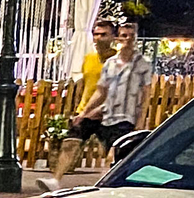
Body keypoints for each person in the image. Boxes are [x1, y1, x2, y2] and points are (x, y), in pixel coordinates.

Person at [52, 28, 156, 178]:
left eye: (130, 36)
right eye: (123, 36)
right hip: (98, 112)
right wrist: (84, 112)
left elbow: (145, 94)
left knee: (112, 155)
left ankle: (106, 185)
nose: (126, 39)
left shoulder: (142, 64)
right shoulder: (106, 62)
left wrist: (140, 120)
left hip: (122, 116)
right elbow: (100, 90)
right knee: (71, 140)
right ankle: (55, 180)